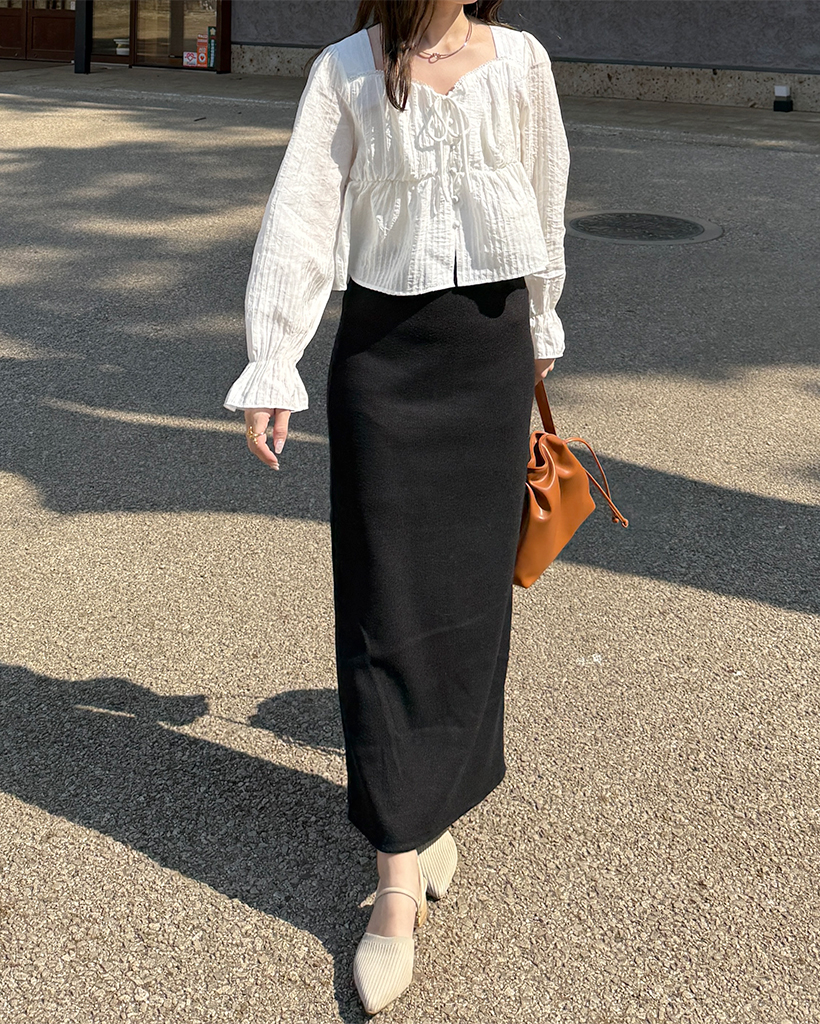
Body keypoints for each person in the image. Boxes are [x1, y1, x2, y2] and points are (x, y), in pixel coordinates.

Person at [223, 0, 570, 1014]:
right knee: (385, 602)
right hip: (384, 357)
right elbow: (301, 214)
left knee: (468, 605)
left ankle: (431, 811)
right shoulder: (345, 69)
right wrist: (273, 364)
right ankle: (393, 880)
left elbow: (544, 194)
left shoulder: (523, 62)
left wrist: (543, 323)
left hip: (490, 356)